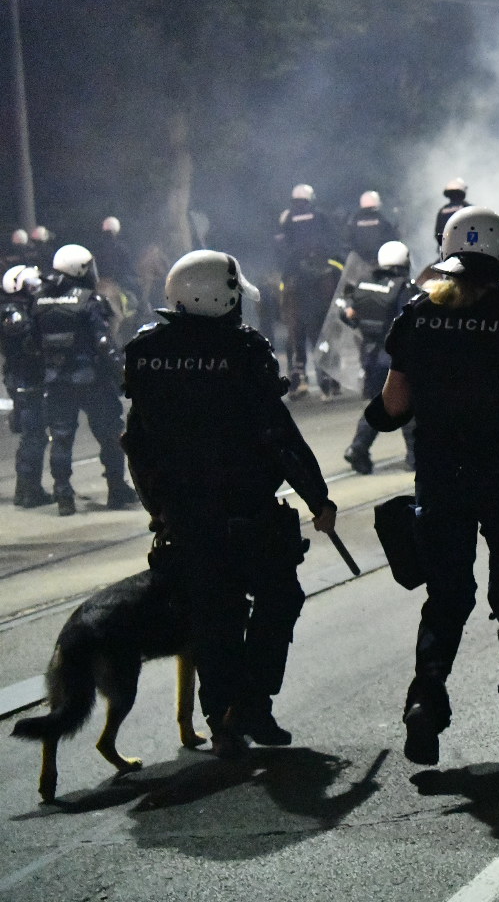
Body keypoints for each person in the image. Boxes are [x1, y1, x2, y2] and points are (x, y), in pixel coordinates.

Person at [366, 206, 499, 766]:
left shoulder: (417, 314)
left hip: (440, 477)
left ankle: (426, 700)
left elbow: (392, 407)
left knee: (448, 596)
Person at [124, 250, 338, 754]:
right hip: (246, 508)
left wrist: (157, 507)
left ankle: (222, 717)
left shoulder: (146, 352)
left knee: (211, 615)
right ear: (219, 296)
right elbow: (276, 434)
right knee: (279, 596)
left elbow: (137, 441)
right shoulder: (244, 350)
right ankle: (254, 705)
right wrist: (317, 496)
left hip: (185, 514)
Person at [35, 245, 138, 516]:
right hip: (90, 380)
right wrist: (122, 372)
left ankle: (63, 496)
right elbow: (103, 343)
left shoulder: (39, 301)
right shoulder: (89, 301)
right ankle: (117, 490)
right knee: (110, 435)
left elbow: (33, 343)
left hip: (56, 382)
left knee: (60, 439)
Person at [340, 241, 417, 475]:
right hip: (393, 356)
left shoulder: (363, 285)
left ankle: (358, 448)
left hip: (370, 357)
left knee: (379, 403)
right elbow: (411, 320)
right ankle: (416, 458)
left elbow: (347, 314)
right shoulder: (403, 287)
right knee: (408, 403)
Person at [274, 184, 342, 399]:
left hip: (294, 270)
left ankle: (283, 312)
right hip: (320, 265)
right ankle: (343, 303)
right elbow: (332, 239)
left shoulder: (286, 217)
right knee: (339, 273)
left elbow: (281, 244)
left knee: (285, 292)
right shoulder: (320, 215)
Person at [0, 264, 50, 507]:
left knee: (33, 435)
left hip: (21, 377)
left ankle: (25, 489)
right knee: (34, 436)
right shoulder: (14, 312)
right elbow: (25, 342)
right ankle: (30, 491)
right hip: (25, 378)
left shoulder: (17, 308)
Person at [344, 191, 397, 270]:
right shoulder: (385, 219)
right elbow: (394, 240)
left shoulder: (352, 221)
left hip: (358, 269)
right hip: (384, 267)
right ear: (377, 203)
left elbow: (348, 242)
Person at [433, 178, 470, 247]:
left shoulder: (442, 211)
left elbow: (438, 233)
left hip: (446, 249)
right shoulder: (469, 209)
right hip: (466, 249)